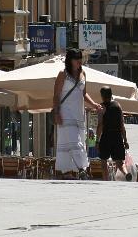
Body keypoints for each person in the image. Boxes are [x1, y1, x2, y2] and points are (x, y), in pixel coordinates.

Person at [53, 48, 102, 179]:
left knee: (68, 141)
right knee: (75, 141)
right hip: (65, 112)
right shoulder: (62, 74)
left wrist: (94, 104)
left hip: (79, 114)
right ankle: (82, 168)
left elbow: (84, 93)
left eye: (80, 59)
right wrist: (57, 113)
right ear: (70, 60)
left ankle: (67, 171)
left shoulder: (83, 74)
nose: (79, 62)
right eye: (77, 59)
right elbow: (56, 96)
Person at [97, 86, 128, 180]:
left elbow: (100, 125)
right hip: (117, 136)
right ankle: (126, 174)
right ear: (111, 94)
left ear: (102, 95)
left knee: (103, 161)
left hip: (106, 135)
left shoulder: (101, 107)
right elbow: (122, 125)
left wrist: (97, 141)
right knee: (120, 163)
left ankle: (106, 180)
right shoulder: (118, 105)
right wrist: (125, 140)